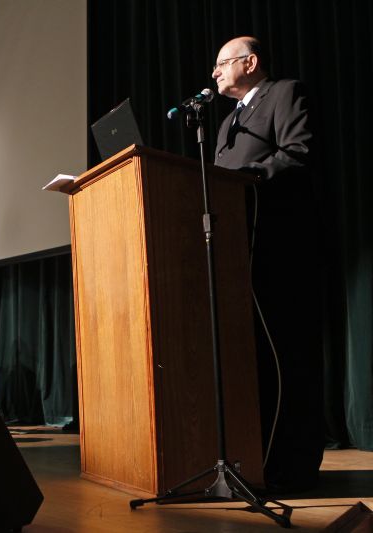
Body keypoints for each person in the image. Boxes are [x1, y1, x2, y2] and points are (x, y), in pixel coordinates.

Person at [212, 36, 323, 491]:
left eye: (221, 63)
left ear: (250, 62)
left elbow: (298, 153)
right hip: (234, 250)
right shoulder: (226, 124)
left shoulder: (284, 92)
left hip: (277, 246)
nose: (214, 73)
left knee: (282, 356)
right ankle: (246, 459)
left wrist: (249, 179)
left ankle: (288, 466)